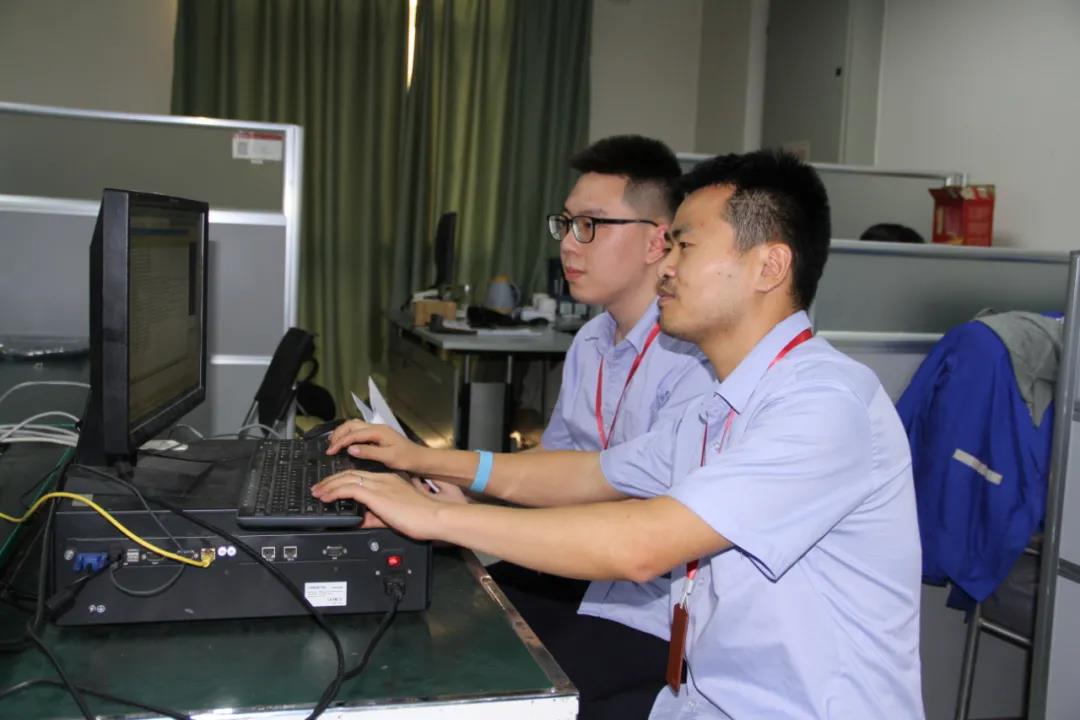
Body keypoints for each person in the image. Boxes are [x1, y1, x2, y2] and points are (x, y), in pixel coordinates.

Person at [319, 150, 924, 718]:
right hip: (700, 700)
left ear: (769, 266)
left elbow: (642, 546)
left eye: (685, 245)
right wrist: (428, 461)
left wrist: (437, 519)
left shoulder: (825, 405)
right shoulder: (721, 405)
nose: (666, 266)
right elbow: (589, 473)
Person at [390, 135, 716, 718]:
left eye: (590, 225)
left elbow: (637, 516)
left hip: (651, 601)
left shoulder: (695, 358)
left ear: (657, 240)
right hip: (575, 566)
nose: (568, 243)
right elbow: (555, 467)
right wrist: (461, 493)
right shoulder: (591, 339)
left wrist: (465, 516)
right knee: (428, 620)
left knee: (489, 683)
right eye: (565, 223)